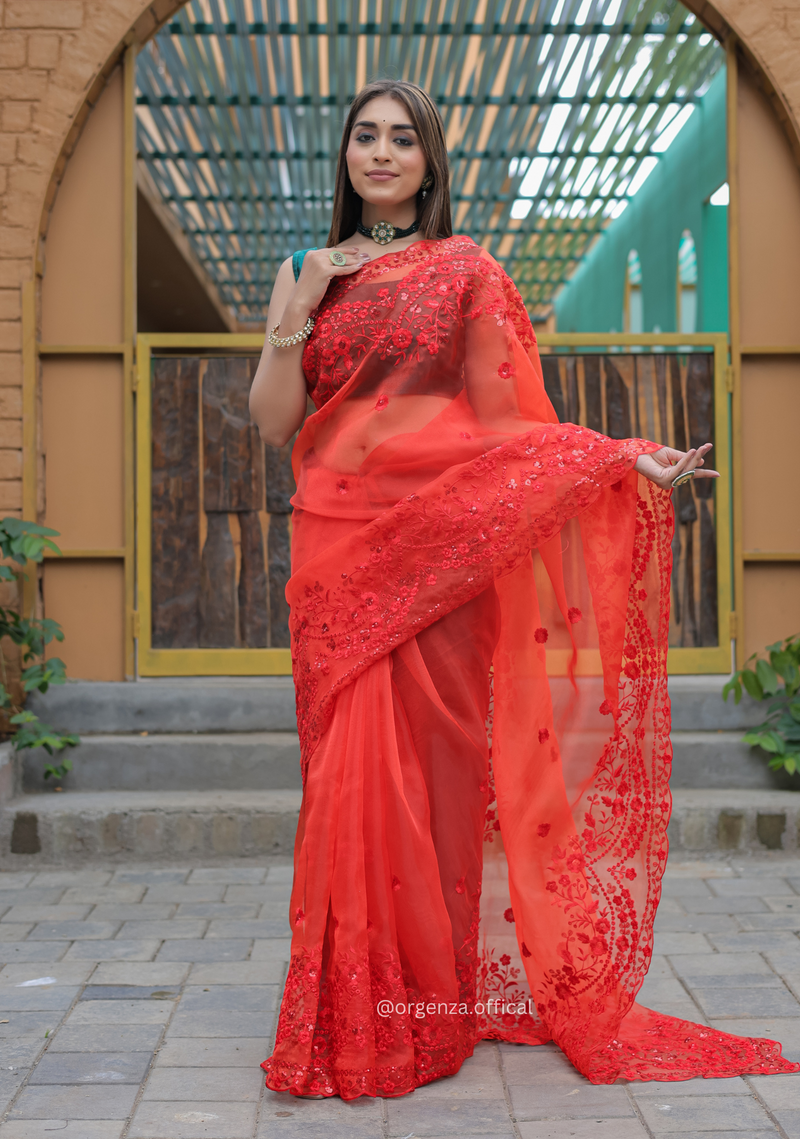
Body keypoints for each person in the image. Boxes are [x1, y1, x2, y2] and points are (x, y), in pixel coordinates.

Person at [249, 79, 798, 1100]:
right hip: (332, 552)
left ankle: (421, 1009)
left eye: (399, 138)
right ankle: (347, 1009)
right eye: (362, 136)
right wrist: (300, 307)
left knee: (428, 790)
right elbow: (276, 418)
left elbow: (505, 424)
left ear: (428, 160)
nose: (378, 153)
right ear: (344, 157)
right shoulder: (303, 270)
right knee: (343, 784)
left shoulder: (466, 272)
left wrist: (617, 460)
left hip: (437, 558)